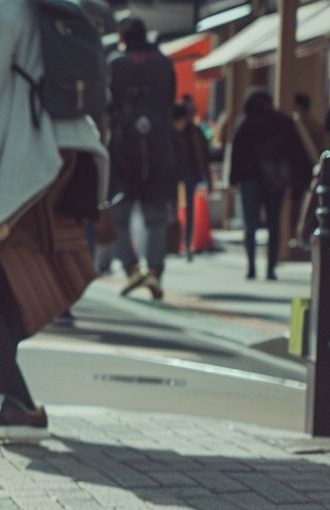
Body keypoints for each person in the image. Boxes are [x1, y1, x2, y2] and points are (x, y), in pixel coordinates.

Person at [0, 0, 108, 440]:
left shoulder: (0, 8)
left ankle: (16, 401)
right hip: (69, 153)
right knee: (5, 277)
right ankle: (4, 396)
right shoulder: (50, 5)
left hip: (24, 161)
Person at [106, 17, 176, 300]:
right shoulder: (163, 63)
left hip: (123, 150)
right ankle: (155, 272)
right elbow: (169, 103)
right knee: (155, 217)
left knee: (119, 217)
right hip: (159, 149)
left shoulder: (115, 64)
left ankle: (132, 268)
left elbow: (107, 106)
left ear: (122, 37)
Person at [229, 88, 307, 281]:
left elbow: (236, 152)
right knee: (274, 224)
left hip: (249, 178)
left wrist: (233, 179)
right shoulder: (283, 122)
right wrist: (297, 184)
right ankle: (271, 267)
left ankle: (251, 266)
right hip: (276, 179)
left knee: (251, 224)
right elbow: (297, 153)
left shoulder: (246, 122)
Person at [171, 103, 210, 263]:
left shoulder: (194, 131)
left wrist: (205, 175)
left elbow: (203, 154)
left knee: (189, 212)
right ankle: (175, 244)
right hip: (174, 176)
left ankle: (187, 245)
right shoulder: (169, 132)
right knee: (174, 210)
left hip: (190, 175)